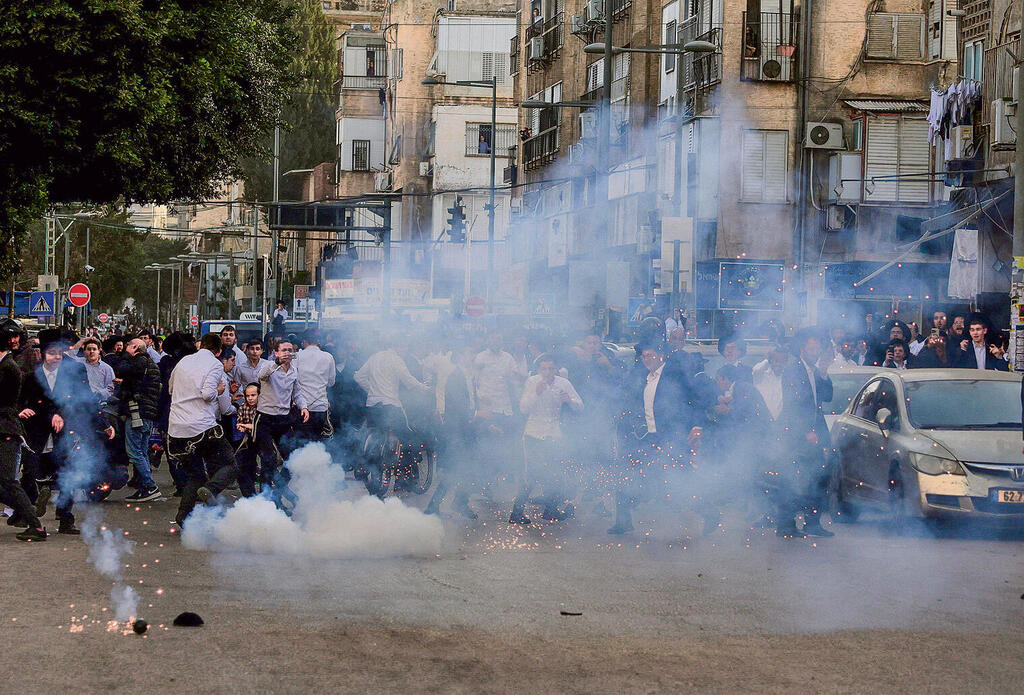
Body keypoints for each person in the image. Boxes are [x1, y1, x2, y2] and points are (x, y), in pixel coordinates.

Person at [608, 342, 709, 535]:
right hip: (647, 438)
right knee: (629, 475)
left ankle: (709, 512)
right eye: (644, 356)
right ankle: (623, 520)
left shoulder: (675, 376)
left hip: (671, 439)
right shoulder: (643, 377)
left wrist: (696, 426)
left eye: (651, 355)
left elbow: (695, 400)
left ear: (661, 356)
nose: (647, 359)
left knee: (680, 480)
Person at [19, 329, 114, 535]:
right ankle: (30, 517)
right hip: (37, 432)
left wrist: (104, 424)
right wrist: (24, 410)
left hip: (67, 431)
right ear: (43, 353)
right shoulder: (31, 375)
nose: (56, 357)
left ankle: (65, 518)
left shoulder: (76, 371)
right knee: (30, 472)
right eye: (51, 353)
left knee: (69, 472)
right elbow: (24, 401)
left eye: (60, 353)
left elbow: (85, 400)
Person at [167, 333, 240, 526]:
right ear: (218, 351)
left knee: (196, 475)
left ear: (201, 346)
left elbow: (170, 389)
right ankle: (211, 489)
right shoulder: (215, 364)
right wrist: (220, 391)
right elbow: (207, 394)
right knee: (231, 464)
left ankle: (183, 516)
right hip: (202, 427)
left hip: (177, 429)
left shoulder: (183, 361)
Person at [774, 329, 834, 538]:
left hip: (814, 434)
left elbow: (827, 397)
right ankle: (785, 525)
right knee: (791, 479)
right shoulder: (794, 371)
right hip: (795, 435)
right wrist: (806, 431)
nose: (815, 352)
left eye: (817, 348)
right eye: (812, 348)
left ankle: (812, 522)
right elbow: (794, 405)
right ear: (802, 349)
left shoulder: (815, 371)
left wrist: (824, 372)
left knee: (817, 478)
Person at [510, 354, 584, 525]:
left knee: (555, 473)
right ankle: (516, 512)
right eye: (544, 369)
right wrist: (536, 393)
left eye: (551, 369)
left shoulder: (563, 383)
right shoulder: (532, 382)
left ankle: (550, 509)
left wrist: (570, 400)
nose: (547, 372)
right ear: (538, 370)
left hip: (555, 434)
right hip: (534, 434)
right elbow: (523, 408)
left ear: (556, 369)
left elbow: (580, 406)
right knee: (532, 474)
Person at [0, 325, 48, 541]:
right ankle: (26, 510)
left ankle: (35, 525)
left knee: (8, 481)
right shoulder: (6, 365)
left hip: (6, 430)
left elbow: (7, 402)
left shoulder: (8, 367)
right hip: (5, 428)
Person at [425, 342, 480, 519]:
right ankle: (434, 507)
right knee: (454, 469)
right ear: (461, 355)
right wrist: (475, 415)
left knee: (467, 468)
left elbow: (470, 400)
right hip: (457, 430)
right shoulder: (456, 375)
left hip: (465, 428)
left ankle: (459, 502)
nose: (473, 356)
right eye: (470, 352)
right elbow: (457, 406)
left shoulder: (467, 374)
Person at [254, 339, 309, 508]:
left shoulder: (294, 371)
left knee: (294, 460)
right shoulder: (269, 366)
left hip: (283, 419)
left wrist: (304, 407)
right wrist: (277, 363)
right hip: (265, 419)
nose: (287, 353)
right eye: (283, 350)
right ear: (276, 353)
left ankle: (278, 492)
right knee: (268, 460)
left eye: (290, 350)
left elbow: (297, 393)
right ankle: (266, 501)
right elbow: (261, 376)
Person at [117, 337, 163, 501]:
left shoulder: (139, 361)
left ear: (136, 348)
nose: (126, 347)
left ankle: (150, 486)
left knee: (134, 451)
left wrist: (126, 356)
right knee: (142, 451)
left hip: (137, 411)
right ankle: (145, 487)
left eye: (129, 345)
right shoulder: (149, 363)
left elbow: (122, 369)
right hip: (146, 412)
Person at [293, 330, 337, 446]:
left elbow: (292, 379)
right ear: (318, 341)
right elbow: (331, 382)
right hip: (320, 405)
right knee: (318, 442)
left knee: (301, 442)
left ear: (304, 342)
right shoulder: (328, 357)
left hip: (301, 407)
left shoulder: (297, 356)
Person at [234, 383, 261, 497]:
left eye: (253, 395)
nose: (250, 398)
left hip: (262, 438)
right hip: (248, 438)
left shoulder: (263, 407)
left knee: (268, 467)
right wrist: (241, 426)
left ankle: (267, 496)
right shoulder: (243, 407)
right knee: (243, 465)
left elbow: (261, 426)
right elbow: (240, 421)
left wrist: (248, 426)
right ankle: (249, 496)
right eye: (248, 396)